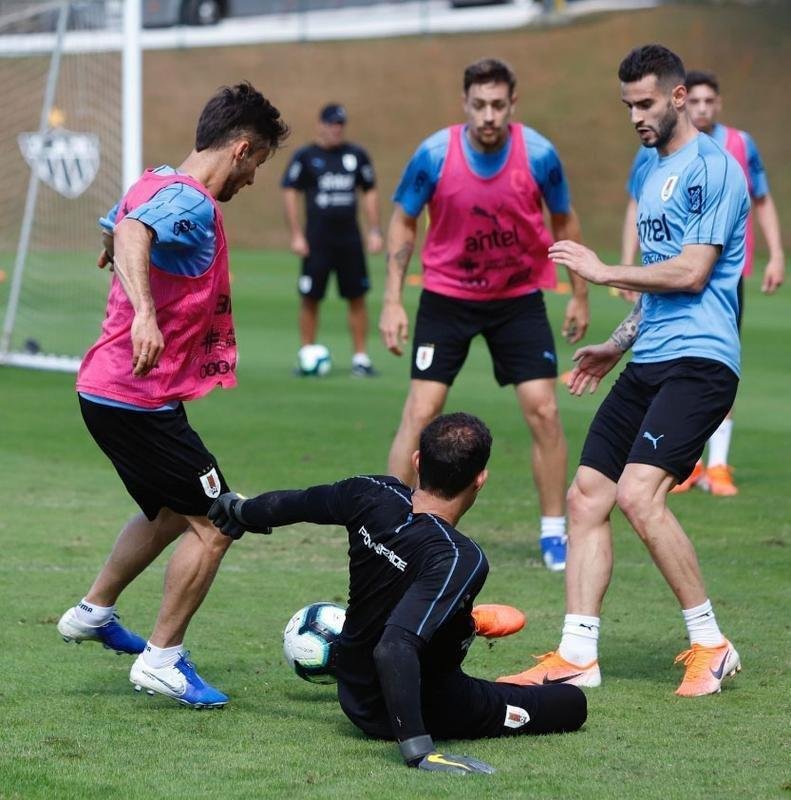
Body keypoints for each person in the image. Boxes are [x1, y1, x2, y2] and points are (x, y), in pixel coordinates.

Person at [497, 45, 748, 697]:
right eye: (626, 105)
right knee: (586, 495)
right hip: (650, 355)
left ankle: (710, 644)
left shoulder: (713, 168)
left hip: (701, 360)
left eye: (644, 103)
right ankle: (578, 655)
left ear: (675, 96)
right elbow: (660, 284)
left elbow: (691, 272)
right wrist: (616, 343)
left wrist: (604, 271)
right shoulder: (647, 165)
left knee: (639, 493)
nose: (635, 116)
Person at [56, 82, 289, 708]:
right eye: (259, 163)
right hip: (136, 396)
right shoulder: (188, 203)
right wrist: (144, 314)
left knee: (166, 513)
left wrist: (116, 259)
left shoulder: (154, 179)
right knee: (217, 524)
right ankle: (162, 660)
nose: (253, 179)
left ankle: (94, 611)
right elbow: (132, 233)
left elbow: (118, 226)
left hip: (110, 392)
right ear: (240, 150)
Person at [208, 412, 587, 773]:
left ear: (418, 460)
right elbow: (394, 647)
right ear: (480, 479)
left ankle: (470, 630)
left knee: (439, 625)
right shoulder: (459, 556)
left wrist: (241, 510)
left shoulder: (370, 492)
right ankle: (495, 677)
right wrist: (418, 750)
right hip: (420, 707)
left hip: (353, 691)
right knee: (571, 704)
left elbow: (300, 502)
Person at [378, 58, 590, 572]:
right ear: (464, 104)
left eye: (498, 105)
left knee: (544, 408)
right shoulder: (433, 154)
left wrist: (579, 293)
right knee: (422, 409)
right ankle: (391, 524)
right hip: (447, 296)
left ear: (512, 105)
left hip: (517, 298)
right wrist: (391, 300)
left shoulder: (539, 155)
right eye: (479, 105)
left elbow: (565, 219)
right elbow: (403, 221)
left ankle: (553, 531)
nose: (489, 115)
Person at [621, 69, 785, 496]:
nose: (702, 108)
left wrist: (776, 254)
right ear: (681, 101)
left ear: (719, 103)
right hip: (664, 278)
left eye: (709, 101)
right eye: (695, 101)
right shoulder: (653, 149)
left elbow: (762, 200)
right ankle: (688, 463)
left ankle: (719, 465)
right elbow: (636, 204)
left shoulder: (738, 147)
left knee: (716, 358)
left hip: (719, 279)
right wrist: (625, 261)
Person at [282, 103, 383, 377]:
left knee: (357, 296)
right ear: (320, 125)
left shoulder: (356, 156)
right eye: (331, 124)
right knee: (310, 297)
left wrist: (374, 230)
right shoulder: (305, 157)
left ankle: (361, 358)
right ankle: (307, 354)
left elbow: (370, 191)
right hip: (317, 240)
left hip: (349, 239)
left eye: (340, 124)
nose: (336, 129)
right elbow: (290, 192)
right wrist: (296, 234)